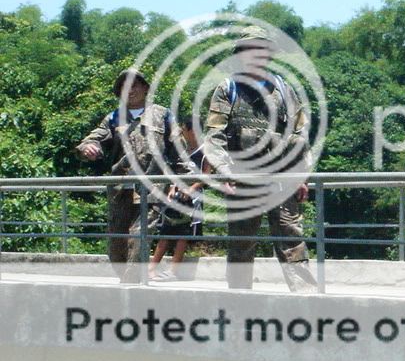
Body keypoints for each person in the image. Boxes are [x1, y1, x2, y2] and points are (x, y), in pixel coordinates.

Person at [203, 26, 318, 292]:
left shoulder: (284, 88)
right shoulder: (228, 88)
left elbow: (301, 135)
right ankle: (239, 300)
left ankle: (306, 298)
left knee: (291, 237)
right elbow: (214, 136)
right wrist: (223, 173)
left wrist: (302, 175)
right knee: (242, 243)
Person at [76, 69, 193, 283]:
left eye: (135, 85)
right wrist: (89, 147)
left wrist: (186, 181)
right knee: (116, 246)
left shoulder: (162, 115)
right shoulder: (113, 118)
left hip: (151, 190)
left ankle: (132, 290)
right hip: (120, 190)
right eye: (124, 87)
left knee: (138, 239)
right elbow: (93, 139)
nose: (130, 90)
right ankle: (129, 281)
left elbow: (179, 151)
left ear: (146, 88)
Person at [148, 119, 208, 282]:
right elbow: (177, 172)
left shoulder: (205, 151)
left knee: (184, 234)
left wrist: (191, 189)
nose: (181, 134)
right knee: (166, 232)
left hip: (192, 197)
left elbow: (207, 175)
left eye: (183, 130)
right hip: (176, 196)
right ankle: (151, 268)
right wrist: (173, 187)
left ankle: (173, 270)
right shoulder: (184, 149)